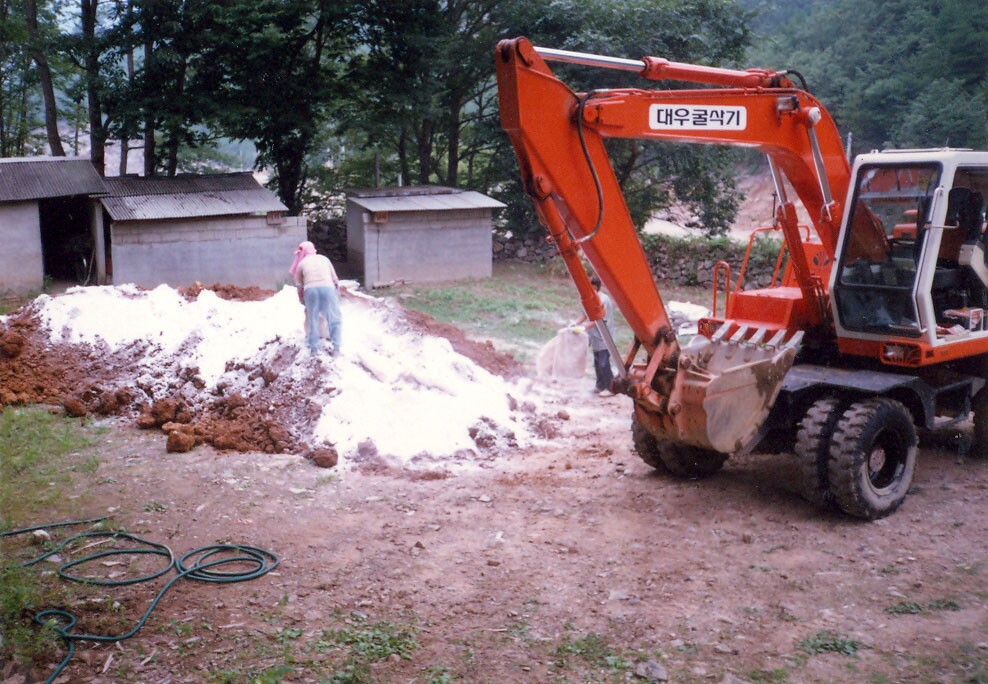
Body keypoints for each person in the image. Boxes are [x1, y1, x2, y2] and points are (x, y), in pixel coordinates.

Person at [289, 241, 342, 355]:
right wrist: (335, 294)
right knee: (333, 317)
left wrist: (302, 298)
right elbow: (335, 279)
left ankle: (314, 349)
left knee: (313, 318)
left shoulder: (301, 263)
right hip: (328, 288)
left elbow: (299, 285)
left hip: (310, 290)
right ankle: (336, 348)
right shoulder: (324, 259)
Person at [574, 276, 615, 397]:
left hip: (605, 336)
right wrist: (575, 323)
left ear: (595, 287)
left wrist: (585, 327)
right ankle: (600, 385)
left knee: (603, 362)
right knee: (597, 362)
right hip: (595, 336)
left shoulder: (604, 300)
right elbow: (584, 314)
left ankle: (610, 387)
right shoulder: (589, 299)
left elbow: (599, 319)